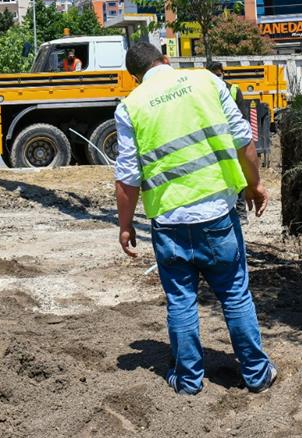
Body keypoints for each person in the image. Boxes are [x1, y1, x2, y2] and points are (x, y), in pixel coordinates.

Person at [114, 41, 276, 396]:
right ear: (167, 60)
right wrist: (255, 184)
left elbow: (127, 176)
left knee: (181, 300)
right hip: (217, 214)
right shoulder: (206, 81)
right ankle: (256, 374)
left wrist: (125, 225)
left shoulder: (131, 107)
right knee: (235, 294)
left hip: (170, 223)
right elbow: (243, 140)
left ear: (136, 78)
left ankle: (188, 381)